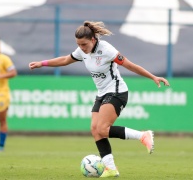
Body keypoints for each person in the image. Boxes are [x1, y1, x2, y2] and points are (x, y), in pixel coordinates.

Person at [29, 21, 170, 177]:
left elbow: (129, 65)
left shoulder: (107, 50)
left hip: (117, 92)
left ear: (93, 40)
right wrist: (42, 63)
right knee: (96, 130)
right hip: (102, 93)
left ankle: (143, 135)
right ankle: (110, 168)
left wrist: (153, 77)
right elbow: (65, 60)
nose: (82, 48)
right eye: (79, 44)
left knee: (103, 128)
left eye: (84, 44)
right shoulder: (82, 51)